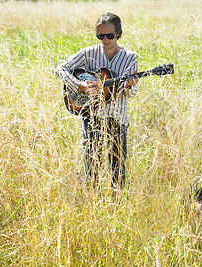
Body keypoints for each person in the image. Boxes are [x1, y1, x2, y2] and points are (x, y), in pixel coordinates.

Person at [55, 12, 139, 189]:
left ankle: (117, 205)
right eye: (101, 35)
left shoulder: (130, 57)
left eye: (109, 35)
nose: (105, 40)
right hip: (91, 116)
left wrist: (130, 85)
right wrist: (79, 85)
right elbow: (60, 69)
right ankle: (92, 202)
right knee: (91, 165)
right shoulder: (89, 52)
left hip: (117, 118)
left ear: (118, 34)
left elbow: (132, 93)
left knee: (118, 169)